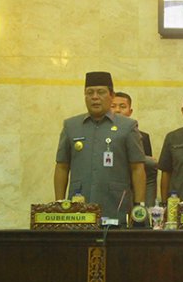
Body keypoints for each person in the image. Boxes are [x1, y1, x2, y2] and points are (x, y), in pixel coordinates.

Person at [54, 71, 146, 223]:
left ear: (111, 95)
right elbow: (62, 166)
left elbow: (137, 168)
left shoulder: (127, 126)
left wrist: (139, 205)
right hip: (79, 208)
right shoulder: (71, 126)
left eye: (101, 92)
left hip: (116, 206)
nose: (95, 97)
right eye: (89, 93)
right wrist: (58, 204)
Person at [111, 91, 158, 206]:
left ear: (130, 111)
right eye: (113, 106)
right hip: (111, 190)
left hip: (135, 190)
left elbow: (145, 169)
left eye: (122, 106)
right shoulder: (102, 135)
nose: (117, 110)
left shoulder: (142, 137)